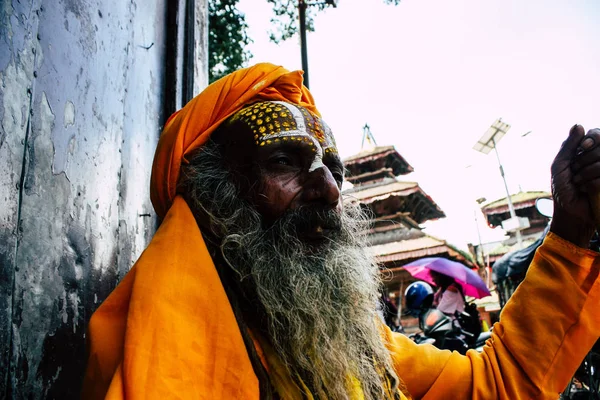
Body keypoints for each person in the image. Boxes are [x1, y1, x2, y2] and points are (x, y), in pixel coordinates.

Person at [82, 63, 600, 400]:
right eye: (286, 160)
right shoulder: (155, 352)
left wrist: (572, 232)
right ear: (216, 192)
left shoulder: (352, 341)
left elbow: (494, 385)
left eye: (334, 168)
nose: (329, 190)